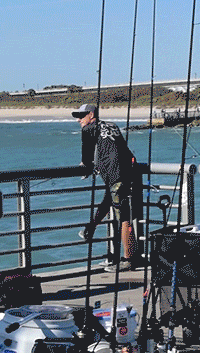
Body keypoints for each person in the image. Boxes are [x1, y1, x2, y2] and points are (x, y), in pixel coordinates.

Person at [74, 104, 138, 273]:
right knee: (108, 203)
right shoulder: (112, 125)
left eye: (81, 116)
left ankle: (128, 260)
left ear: (91, 114)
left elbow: (86, 156)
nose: (78, 120)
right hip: (127, 173)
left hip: (116, 177)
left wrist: (86, 166)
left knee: (124, 218)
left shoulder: (88, 129)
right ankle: (91, 229)